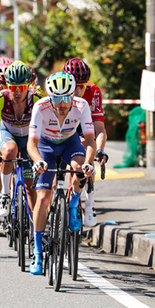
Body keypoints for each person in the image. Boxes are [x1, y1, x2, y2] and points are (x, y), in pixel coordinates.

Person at [27, 72, 96, 275]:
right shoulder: (40, 107)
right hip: (46, 146)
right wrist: (38, 160)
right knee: (43, 197)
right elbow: (32, 143)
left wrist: (89, 164)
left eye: (67, 97)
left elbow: (90, 140)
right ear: (50, 96)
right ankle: (38, 251)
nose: (63, 103)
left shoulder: (81, 105)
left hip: (69, 143)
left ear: (73, 94)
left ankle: (74, 202)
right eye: (57, 98)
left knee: (80, 166)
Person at [0, 61, 44, 225]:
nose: (18, 92)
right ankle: (5, 194)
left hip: (29, 138)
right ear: (7, 86)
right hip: (8, 134)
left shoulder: (36, 98)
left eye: (22, 87)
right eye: (13, 88)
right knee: (9, 150)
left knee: (30, 188)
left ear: (29, 85)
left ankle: (35, 227)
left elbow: (45, 129)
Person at [63, 58, 108, 226]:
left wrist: (100, 150)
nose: (79, 90)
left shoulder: (94, 91)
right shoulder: (60, 89)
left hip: (83, 127)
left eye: (83, 86)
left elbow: (100, 128)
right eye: (75, 86)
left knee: (89, 149)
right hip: (63, 128)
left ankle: (90, 204)